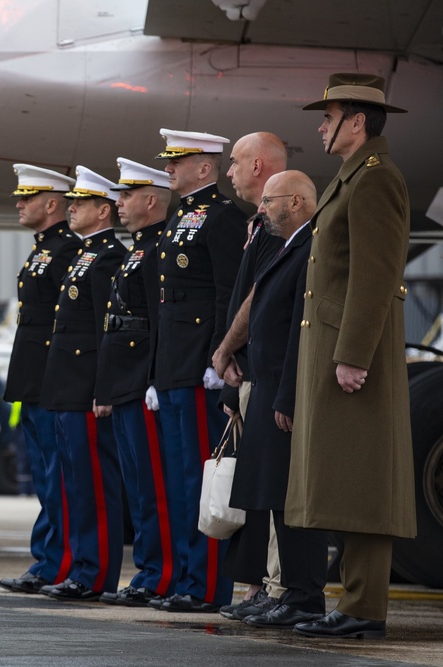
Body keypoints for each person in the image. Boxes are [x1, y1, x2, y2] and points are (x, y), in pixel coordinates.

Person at [288, 73, 415, 639]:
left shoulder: (375, 179)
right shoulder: (353, 177)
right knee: (347, 479)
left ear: (356, 120)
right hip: (337, 347)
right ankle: (356, 602)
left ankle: (365, 608)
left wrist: (354, 354)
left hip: (352, 352)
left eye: (328, 115)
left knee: (364, 480)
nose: (320, 126)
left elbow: (375, 274)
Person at [225, 170, 330, 630]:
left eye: (270, 201)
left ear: (298, 201)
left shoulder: (311, 247)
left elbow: (299, 334)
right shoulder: (289, 246)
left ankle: (304, 596)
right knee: (272, 497)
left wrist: (287, 395)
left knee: (292, 502)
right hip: (266, 385)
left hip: (282, 392)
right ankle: (284, 592)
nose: (261, 209)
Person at [150, 129, 245, 612]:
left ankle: (207, 586)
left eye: (177, 161)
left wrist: (218, 356)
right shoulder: (179, 215)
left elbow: (228, 292)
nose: (167, 168)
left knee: (198, 479)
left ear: (204, 168)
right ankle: (188, 578)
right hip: (173, 365)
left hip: (197, 366)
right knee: (178, 479)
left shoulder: (223, 217)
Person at [211, 132, 289, 620]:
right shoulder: (260, 225)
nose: (230, 172)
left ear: (259, 166)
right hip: (250, 369)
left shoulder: (277, 227)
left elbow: (257, 298)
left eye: (236, 163)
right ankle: (264, 585)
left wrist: (226, 349)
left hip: (263, 371)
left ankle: (277, 587)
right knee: (257, 488)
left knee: (272, 488)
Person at [39, 166, 126, 602]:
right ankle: (78, 567)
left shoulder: (108, 256)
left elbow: (102, 330)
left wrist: (102, 388)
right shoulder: (83, 254)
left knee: (94, 485)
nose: (71, 209)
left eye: (80, 203)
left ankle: (96, 573)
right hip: (64, 386)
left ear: (103, 210)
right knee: (73, 484)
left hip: (85, 388)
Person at [93, 158, 174, 607]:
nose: (118, 203)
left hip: (142, 382)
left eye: (126, 195)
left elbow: (158, 323)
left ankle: (159, 573)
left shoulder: (157, 247)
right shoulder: (139, 249)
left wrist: (151, 378)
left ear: (150, 200)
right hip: (126, 381)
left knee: (153, 485)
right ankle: (150, 569)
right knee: (139, 487)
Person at [0, 164, 81, 595]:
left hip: (51, 377)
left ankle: (56, 562)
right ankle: (46, 559)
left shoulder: (66, 250)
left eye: (26, 197)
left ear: (52, 205)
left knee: (57, 475)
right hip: (33, 376)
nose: (18, 203)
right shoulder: (43, 249)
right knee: (45, 476)